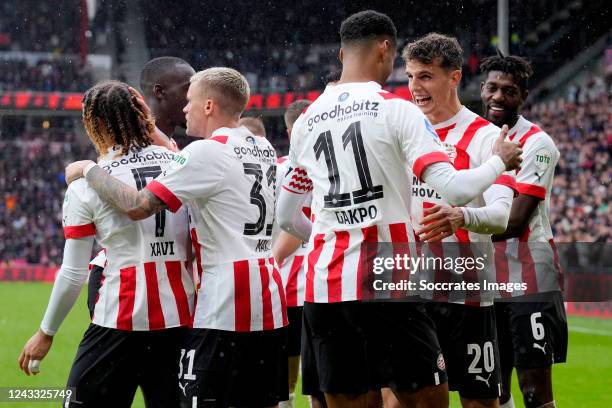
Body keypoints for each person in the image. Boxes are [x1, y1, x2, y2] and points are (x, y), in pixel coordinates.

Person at [276, 10, 522, 408]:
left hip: (325, 288)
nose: (410, 83)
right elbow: (454, 188)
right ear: (385, 49)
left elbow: (287, 216)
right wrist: (499, 161)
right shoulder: (396, 110)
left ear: (341, 54)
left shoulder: (306, 120)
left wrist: (334, 238)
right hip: (389, 285)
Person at [65, 67, 288, 408]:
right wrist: (147, 126)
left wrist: (87, 169)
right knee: (258, 401)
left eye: (191, 101)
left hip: (224, 302)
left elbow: (139, 205)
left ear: (209, 106)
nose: (185, 109)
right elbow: (183, 159)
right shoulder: (262, 146)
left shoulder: (204, 154)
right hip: (269, 295)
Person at [18, 81, 195, 408]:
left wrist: (46, 332)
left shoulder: (86, 185)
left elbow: (73, 273)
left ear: (94, 124)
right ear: (141, 115)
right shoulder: (183, 164)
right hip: (181, 320)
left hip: (118, 322)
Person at [402, 32, 518, 408]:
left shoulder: (487, 138)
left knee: (481, 402)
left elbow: (501, 216)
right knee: (401, 401)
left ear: (454, 77)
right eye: (410, 76)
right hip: (409, 293)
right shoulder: (400, 132)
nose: (414, 87)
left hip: (468, 294)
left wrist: (461, 216)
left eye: (425, 76)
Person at [481, 53, 567, 408]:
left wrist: (455, 227)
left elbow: (514, 221)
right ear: (482, 89)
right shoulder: (475, 137)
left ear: (523, 96)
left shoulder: (537, 143)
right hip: (485, 273)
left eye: (509, 91)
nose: (498, 97)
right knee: (492, 385)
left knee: (533, 388)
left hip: (529, 272)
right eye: (492, 88)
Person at [87, 56, 196, 318]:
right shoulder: (120, 155)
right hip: (125, 287)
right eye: (188, 88)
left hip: (169, 289)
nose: (195, 95)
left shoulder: (179, 153)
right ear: (160, 92)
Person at [273, 99, 326, 408]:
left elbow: (288, 220)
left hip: (290, 279)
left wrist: (273, 257)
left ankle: (288, 400)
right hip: (320, 276)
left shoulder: (281, 168)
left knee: (290, 357)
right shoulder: (329, 164)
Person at [140, 56, 197, 149]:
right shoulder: (124, 152)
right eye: (188, 88)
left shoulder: (173, 150)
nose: (196, 97)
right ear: (160, 92)